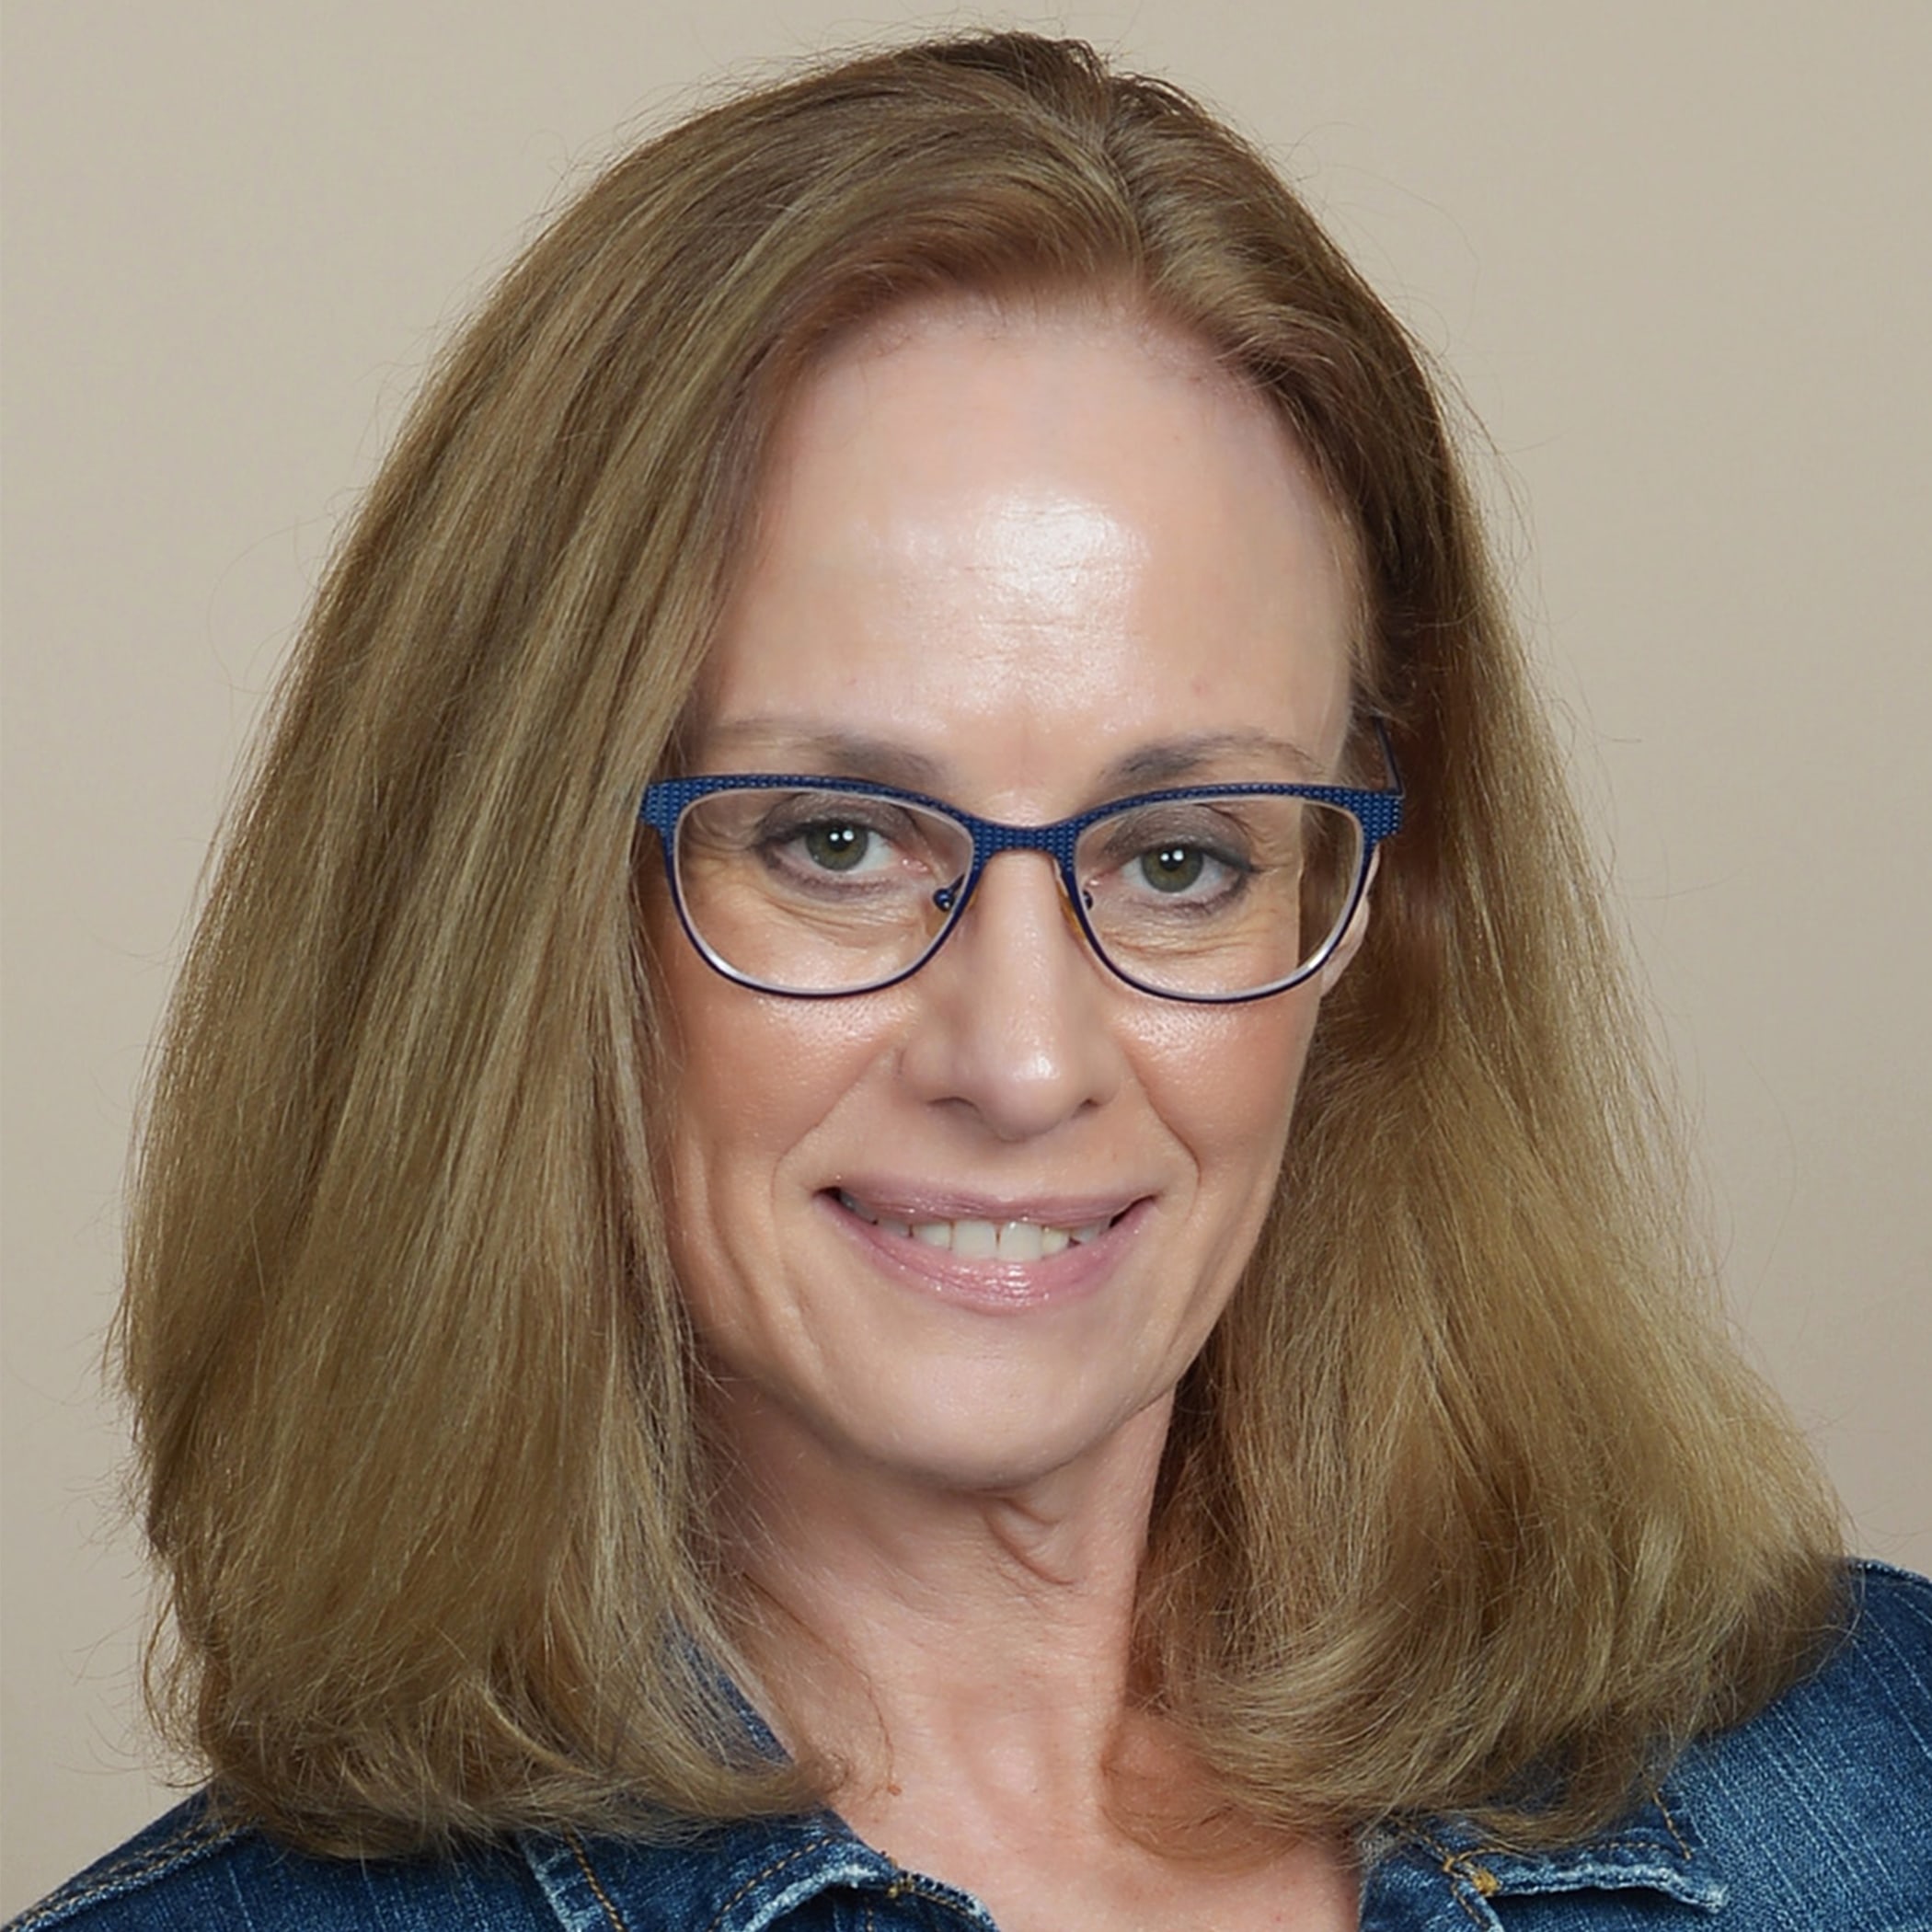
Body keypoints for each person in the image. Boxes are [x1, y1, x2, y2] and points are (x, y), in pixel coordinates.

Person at [13, 30, 1928, 1932]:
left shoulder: (1882, 1789)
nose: (1021, 1060)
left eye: (1182, 861)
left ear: (1367, 921)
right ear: (519, 909)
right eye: (834, 839)